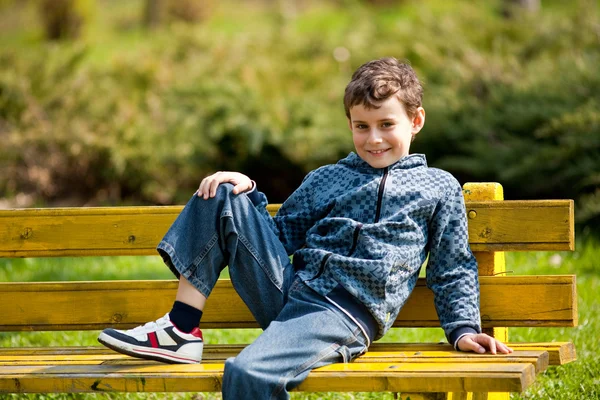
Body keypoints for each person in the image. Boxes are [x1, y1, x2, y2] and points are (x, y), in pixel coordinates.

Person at [98, 57, 512, 399]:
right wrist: (247, 193)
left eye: (387, 125)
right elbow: (276, 239)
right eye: (361, 126)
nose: (374, 139)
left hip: (342, 312)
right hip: (289, 288)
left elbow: (452, 266)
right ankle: (181, 328)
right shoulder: (326, 178)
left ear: (416, 120)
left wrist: (463, 330)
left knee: (245, 373)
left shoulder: (437, 187)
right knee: (222, 191)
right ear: (349, 123)